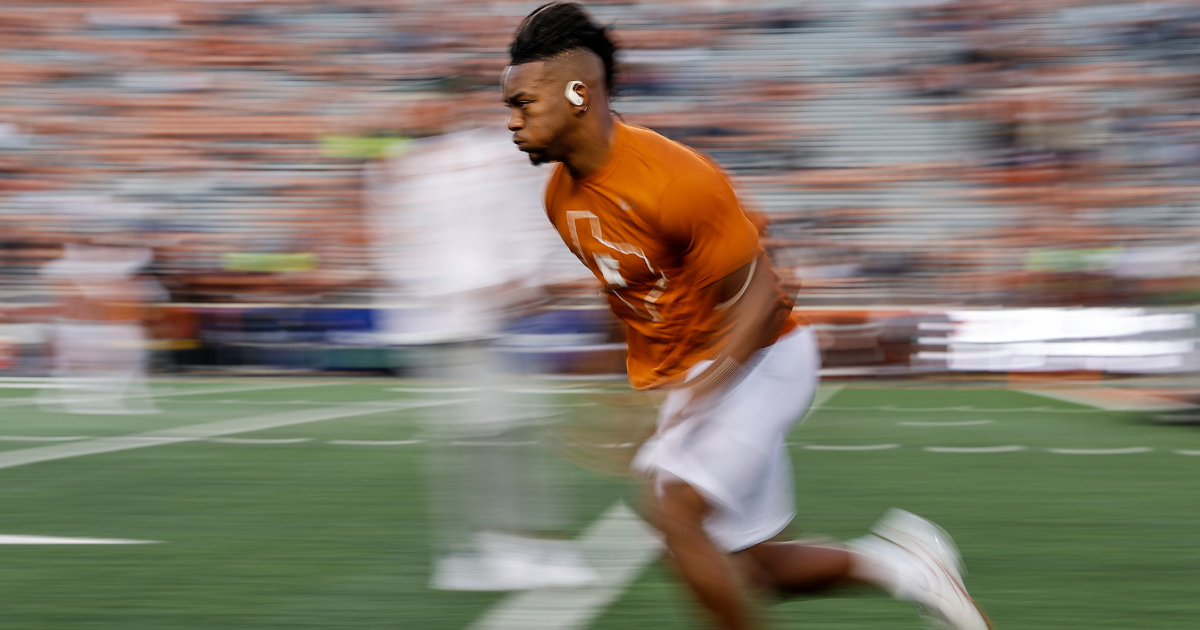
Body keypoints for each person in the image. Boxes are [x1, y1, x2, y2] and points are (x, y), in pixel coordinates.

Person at [501, 4, 993, 629]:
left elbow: (767, 296)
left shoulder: (673, 180)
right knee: (754, 568)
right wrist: (631, 389)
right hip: (700, 372)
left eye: (523, 103)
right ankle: (907, 566)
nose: (512, 122)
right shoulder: (559, 197)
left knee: (673, 511)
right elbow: (624, 288)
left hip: (762, 358)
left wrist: (705, 384)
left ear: (577, 94)